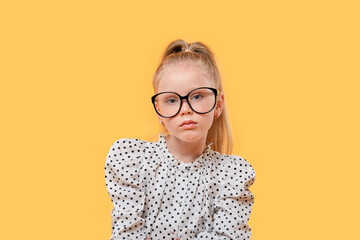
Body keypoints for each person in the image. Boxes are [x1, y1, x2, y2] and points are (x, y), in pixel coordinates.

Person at [104, 39, 256, 240]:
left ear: (218, 104)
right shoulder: (132, 160)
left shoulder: (232, 174)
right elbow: (126, 234)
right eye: (172, 100)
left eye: (197, 96)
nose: (185, 110)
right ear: (159, 110)